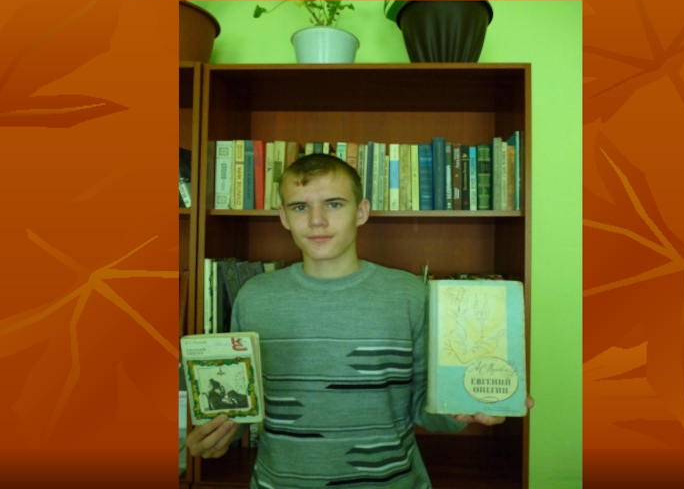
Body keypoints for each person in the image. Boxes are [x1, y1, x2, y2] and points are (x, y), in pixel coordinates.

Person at [186, 154, 533, 488]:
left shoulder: (411, 295)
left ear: (362, 211)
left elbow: (426, 408)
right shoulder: (254, 297)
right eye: (300, 207)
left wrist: (468, 407)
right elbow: (241, 405)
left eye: (334, 204)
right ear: (284, 216)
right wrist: (217, 434)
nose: (317, 220)